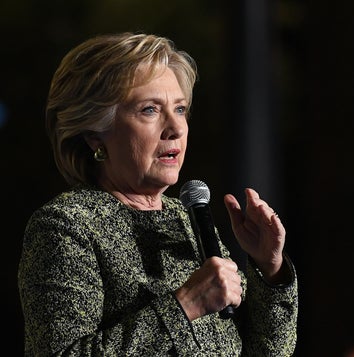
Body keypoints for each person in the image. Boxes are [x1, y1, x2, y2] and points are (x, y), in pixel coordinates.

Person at [17, 32, 298, 356]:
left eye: (180, 109)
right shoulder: (66, 227)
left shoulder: (187, 217)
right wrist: (185, 305)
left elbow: (266, 352)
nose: (175, 128)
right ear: (95, 135)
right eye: (150, 109)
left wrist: (269, 267)